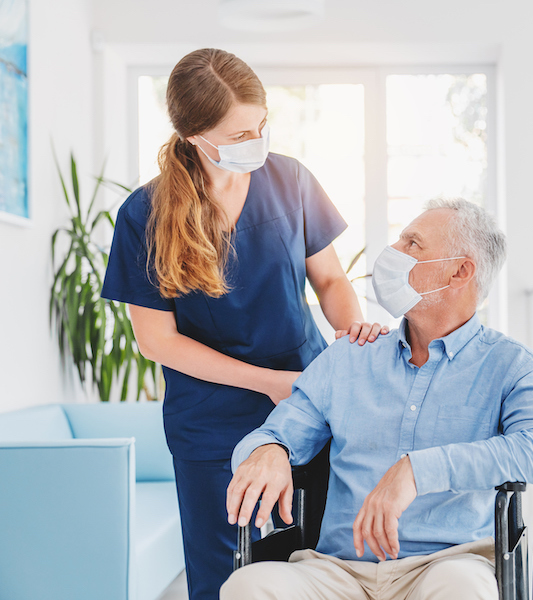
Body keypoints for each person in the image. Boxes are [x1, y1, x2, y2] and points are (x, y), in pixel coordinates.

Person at [100, 48, 386, 600]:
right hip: (213, 420)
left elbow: (329, 282)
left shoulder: (291, 180)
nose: (255, 142)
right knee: (225, 576)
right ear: (192, 134)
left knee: (317, 566)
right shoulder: (145, 214)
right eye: (237, 136)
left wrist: (353, 335)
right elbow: (156, 340)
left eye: (260, 126)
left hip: (308, 404)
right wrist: (269, 383)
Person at [221, 198, 533, 600]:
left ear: (460, 271)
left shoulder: (510, 366)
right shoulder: (351, 356)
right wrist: (269, 449)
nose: (393, 254)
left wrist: (417, 470)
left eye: (412, 244)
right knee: (249, 586)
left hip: (447, 565)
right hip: (339, 571)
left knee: (462, 590)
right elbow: (281, 431)